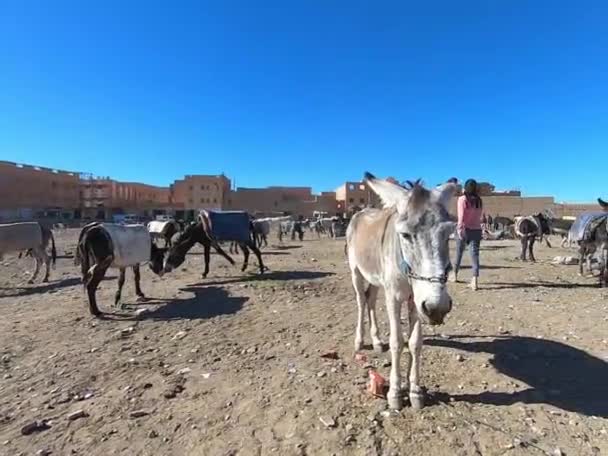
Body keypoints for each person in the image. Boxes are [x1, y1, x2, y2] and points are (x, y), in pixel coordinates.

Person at [452, 179, 483, 290]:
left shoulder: (462, 199)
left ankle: (454, 275)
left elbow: (461, 217)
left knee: (459, 253)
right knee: (474, 256)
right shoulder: (479, 200)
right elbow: (479, 216)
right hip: (476, 230)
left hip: (464, 229)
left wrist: (460, 230)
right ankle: (474, 280)